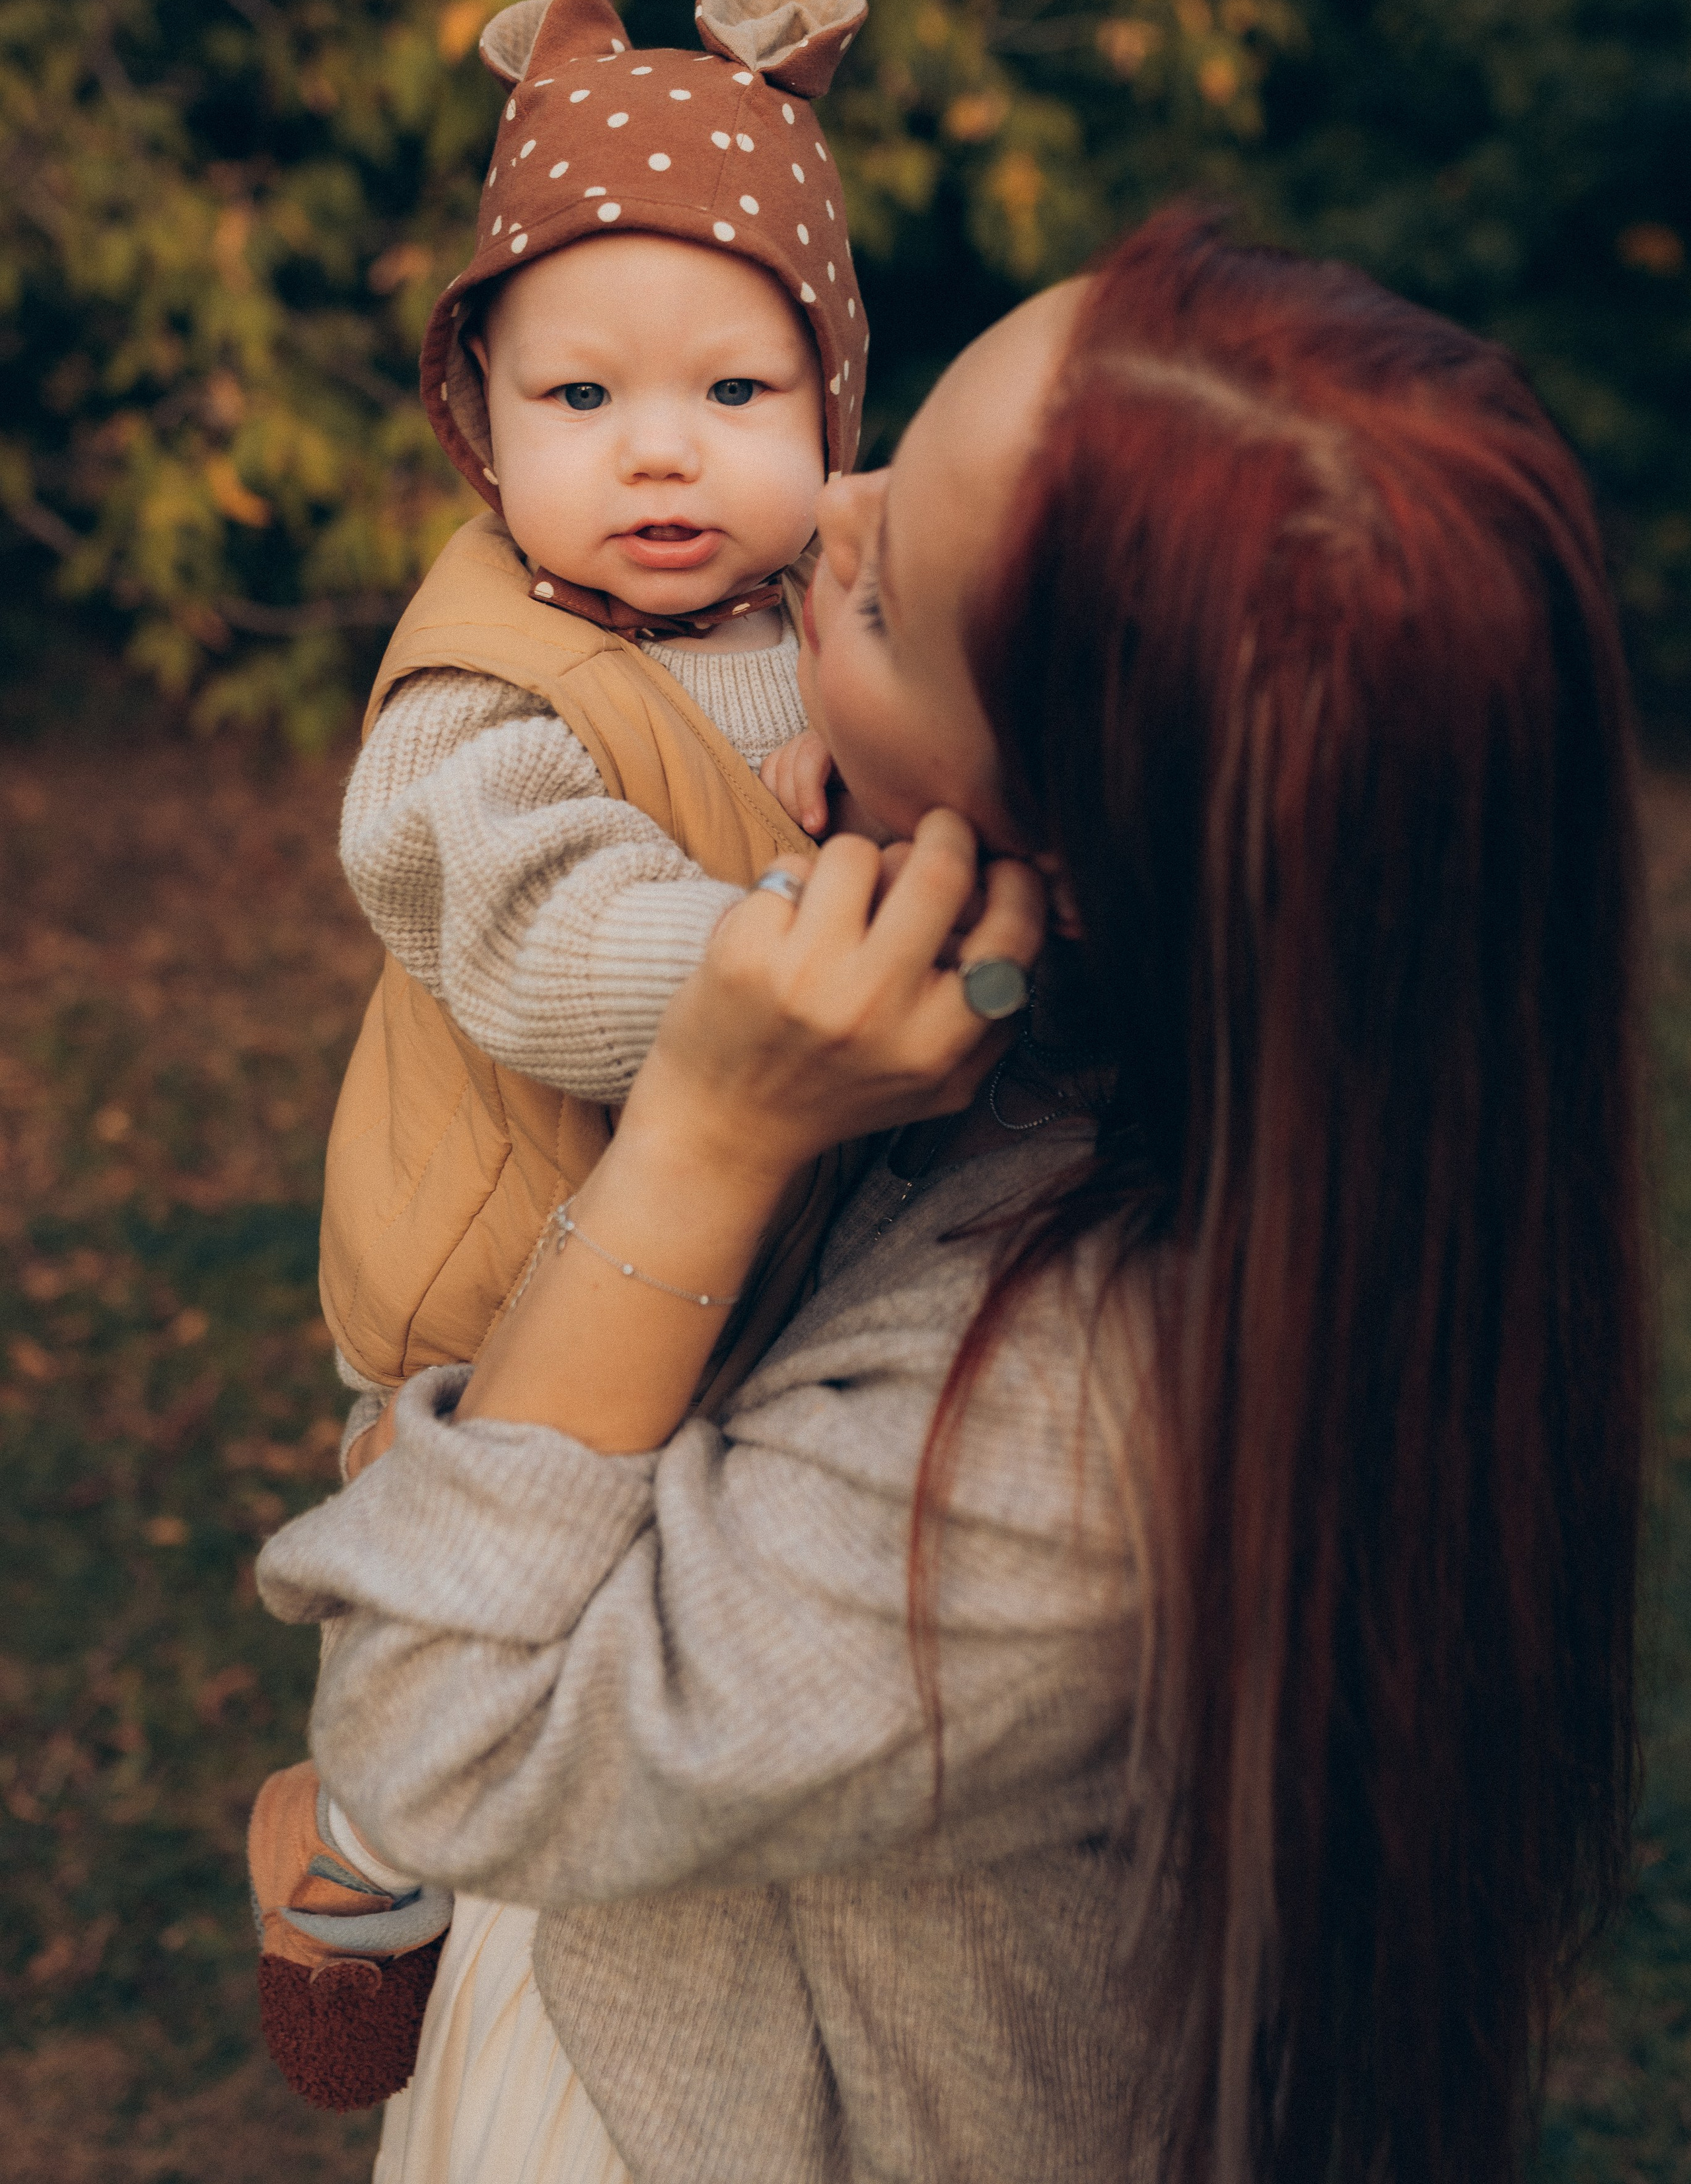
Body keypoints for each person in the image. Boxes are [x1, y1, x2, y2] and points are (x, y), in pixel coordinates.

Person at [257, 207, 1646, 2184]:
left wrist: (707, 1126)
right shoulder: (1228, 1066)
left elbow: (430, 1733)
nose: (823, 506)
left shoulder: (1070, 1445)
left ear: (1077, 858)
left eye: (887, 598)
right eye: (887, 453)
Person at [246, 0, 879, 2105]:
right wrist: (790, 945)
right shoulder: (471, 691)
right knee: (467, 1620)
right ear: (480, 425)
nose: (660, 451)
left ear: (833, 415)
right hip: (501, 1291)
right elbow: (543, 934)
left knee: (687, 1663)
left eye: (737, 392)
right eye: (581, 400)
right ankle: (351, 1858)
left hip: (740, 1280)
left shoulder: (835, 622)